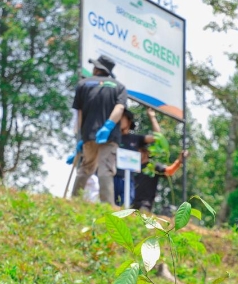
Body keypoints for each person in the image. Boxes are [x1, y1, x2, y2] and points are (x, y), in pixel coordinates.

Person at [69, 54, 128, 206]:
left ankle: (74, 201)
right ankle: (106, 205)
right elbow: (120, 108)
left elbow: (79, 113)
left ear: (96, 69)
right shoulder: (119, 87)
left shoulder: (83, 84)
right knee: (106, 169)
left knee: (86, 167)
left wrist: (80, 137)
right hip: (109, 136)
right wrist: (108, 125)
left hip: (89, 134)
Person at [115, 107, 161, 207]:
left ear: (128, 121)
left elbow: (158, 137)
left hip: (128, 179)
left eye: (121, 118)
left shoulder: (135, 139)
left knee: (126, 205)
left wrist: (152, 117)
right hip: (113, 177)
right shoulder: (113, 137)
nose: (118, 120)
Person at [131, 145, 187, 213]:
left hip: (145, 203)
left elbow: (169, 171)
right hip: (131, 202)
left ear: (147, 153)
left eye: (141, 151)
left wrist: (179, 161)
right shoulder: (133, 166)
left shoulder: (153, 166)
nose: (138, 153)